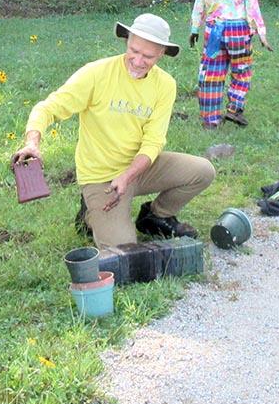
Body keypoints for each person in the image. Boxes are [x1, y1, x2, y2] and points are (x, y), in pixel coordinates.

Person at [11, 13, 216, 249]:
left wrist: (128, 175)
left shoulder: (165, 84)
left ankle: (156, 217)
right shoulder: (96, 73)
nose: (138, 61)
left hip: (140, 169)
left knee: (203, 171)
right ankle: (90, 212)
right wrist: (32, 142)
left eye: (148, 56)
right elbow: (48, 108)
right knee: (124, 251)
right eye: (134, 50)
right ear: (126, 41)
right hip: (102, 178)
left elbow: (153, 142)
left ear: (161, 53)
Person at [189, 0, 272, 128]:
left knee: (211, 73)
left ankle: (210, 120)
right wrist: (261, 32)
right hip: (238, 30)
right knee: (241, 70)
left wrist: (194, 28)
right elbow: (252, 5)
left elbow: (199, 3)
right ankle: (234, 109)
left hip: (214, 29)